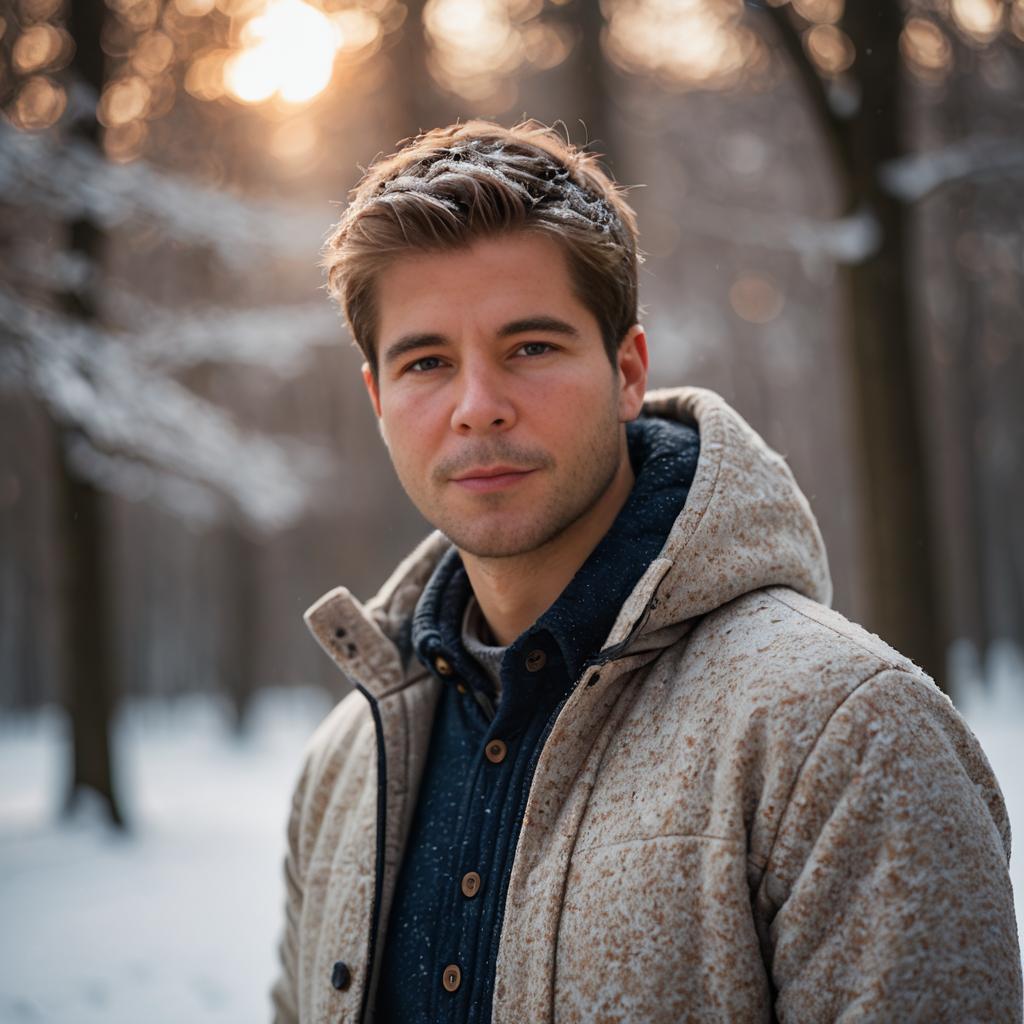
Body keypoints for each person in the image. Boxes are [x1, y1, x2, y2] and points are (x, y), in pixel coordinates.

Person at [271, 121, 1021, 1024]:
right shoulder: (345, 766)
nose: (478, 407)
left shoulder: (844, 732)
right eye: (426, 362)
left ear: (627, 371)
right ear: (378, 401)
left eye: (531, 348)